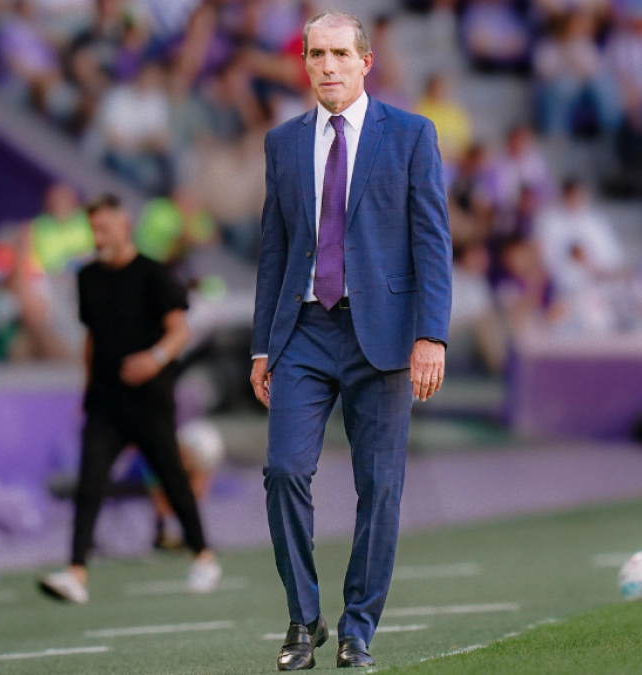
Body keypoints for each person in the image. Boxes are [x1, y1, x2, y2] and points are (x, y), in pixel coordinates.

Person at [250, 12, 451, 670]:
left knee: (381, 487)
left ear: (366, 62)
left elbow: (432, 242)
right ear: (304, 63)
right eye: (316, 54)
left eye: (339, 53)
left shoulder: (413, 136)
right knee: (283, 470)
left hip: (386, 336)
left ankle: (357, 625)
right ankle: (303, 618)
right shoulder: (281, 144)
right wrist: (261, 346)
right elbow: (273, 251)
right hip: (303, 331)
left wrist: (431, 335)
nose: (327, 65)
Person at [39, 195, 220, 604]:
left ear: (124, 226)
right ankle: (75, 572)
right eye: (93, 229)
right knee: (90, 482)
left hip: (149, 400)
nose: (98, 236)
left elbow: (179, 331)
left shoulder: (155, 275)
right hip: (105, 400)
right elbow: (92, 338)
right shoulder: (87, 278)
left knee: (172, 477)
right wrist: (86, 391)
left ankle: (203, 556)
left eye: (104, 227)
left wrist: (153, 359)